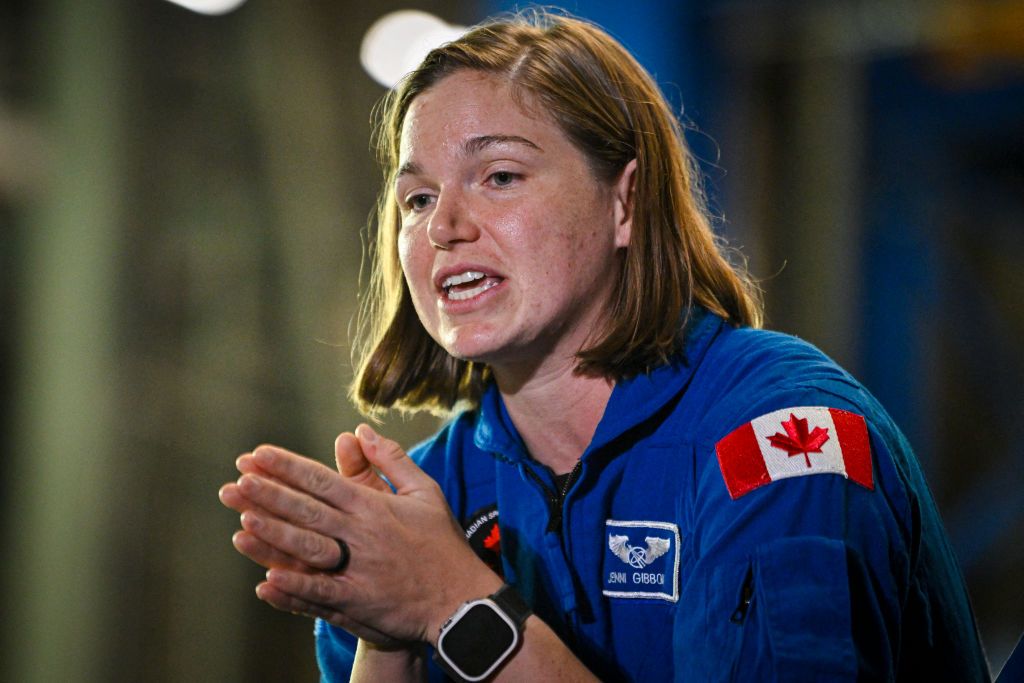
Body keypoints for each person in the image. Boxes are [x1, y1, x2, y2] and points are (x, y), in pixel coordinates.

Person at [219, 11, 992, 682]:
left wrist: (454, 604)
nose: (444, 224)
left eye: (499, 175)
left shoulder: (780, 435)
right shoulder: (420, 502)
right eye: (417, 198)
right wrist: (390, 637)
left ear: (625, 202)